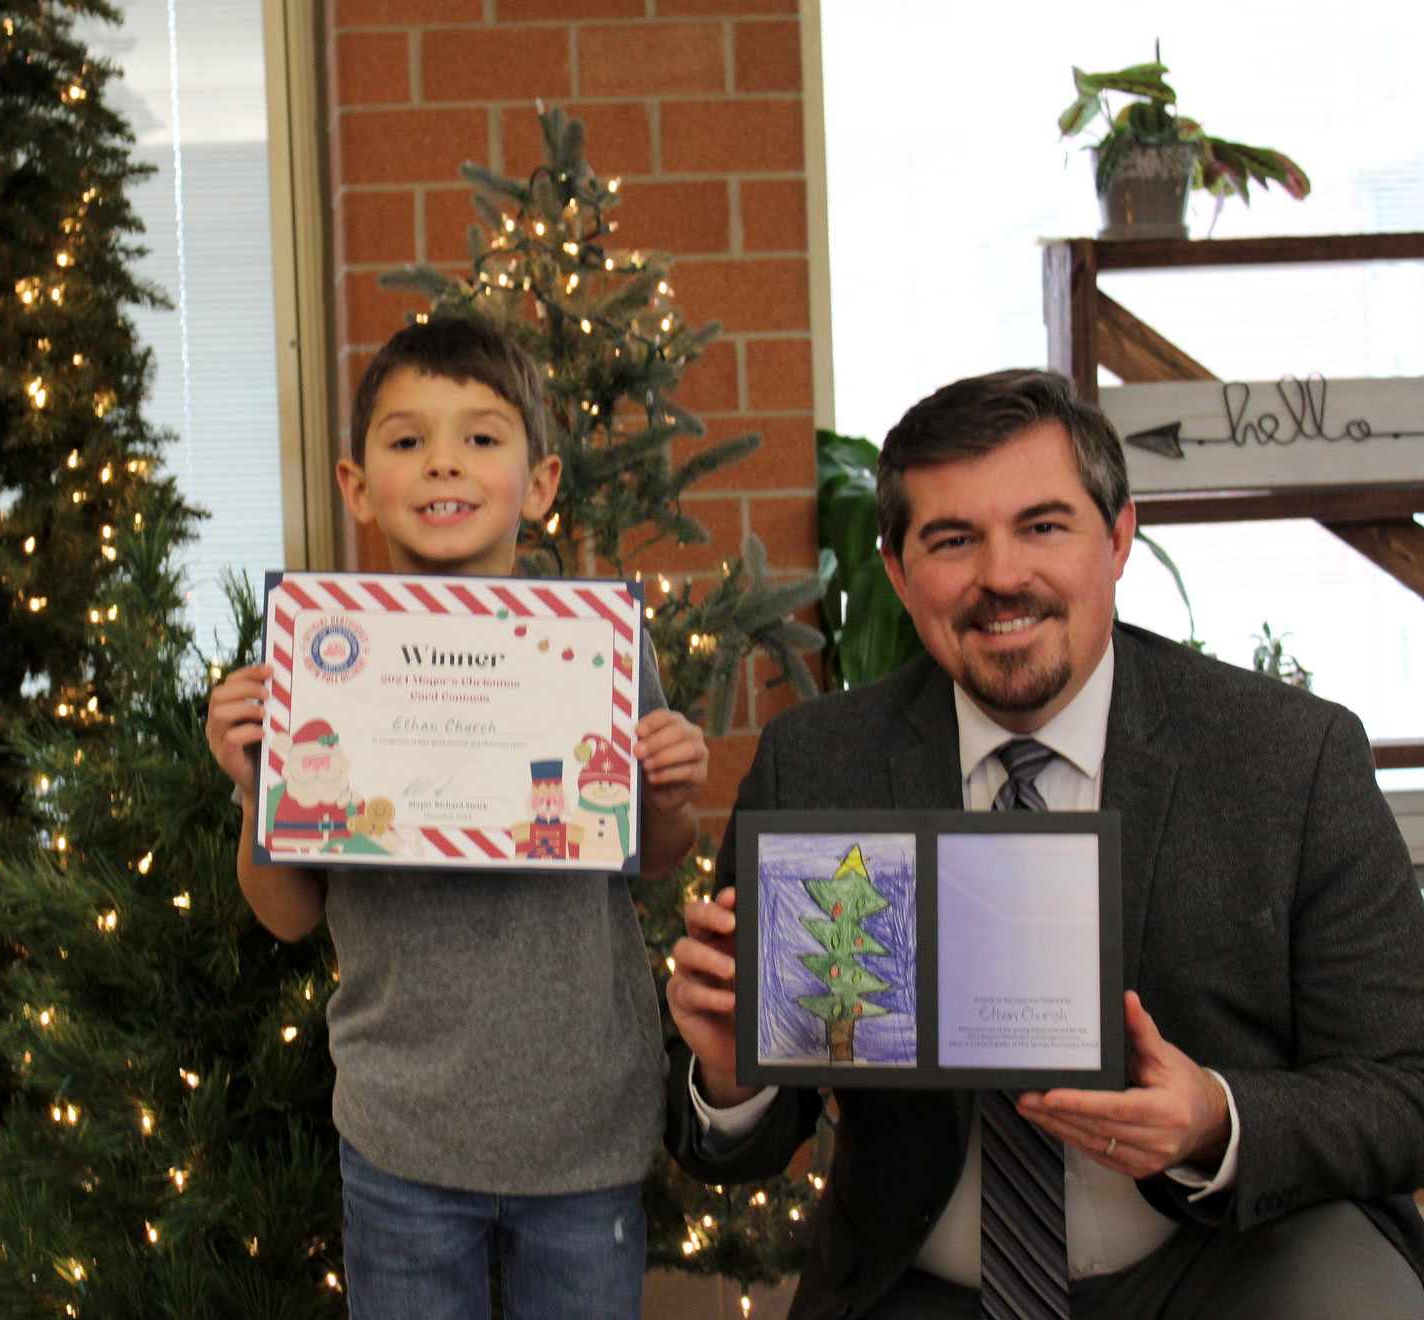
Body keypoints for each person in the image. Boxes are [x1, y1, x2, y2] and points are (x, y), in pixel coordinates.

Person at [664, 369, 1424, 1320]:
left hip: (1227, 1259)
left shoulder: (1289, 759)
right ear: (898, 574)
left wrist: (1213, 1122)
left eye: (1043, 526)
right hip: (930, 1285)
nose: (1003, 576)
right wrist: (735, 1079)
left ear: (1117, 539)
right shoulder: (818, 766)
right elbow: (726, 1142)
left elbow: (1405, 1087)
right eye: (952, 541)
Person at [204, 317, 710, 1320]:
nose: (445, 463)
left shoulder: (597, 653)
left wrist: (668, 794)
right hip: (403, 1134)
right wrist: (253, 787)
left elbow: (653, 858)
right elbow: (287, 915)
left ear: (543, 480)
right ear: (357, 484)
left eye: (482, 438)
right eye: (407, 441)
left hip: (583, 1126)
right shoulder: (313, 667)